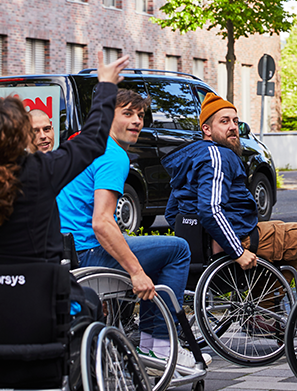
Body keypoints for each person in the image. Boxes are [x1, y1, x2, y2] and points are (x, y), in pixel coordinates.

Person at [56, 88, 202, 367]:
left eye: (141, 115)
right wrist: (136, 272)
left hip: (64, 250)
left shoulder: (79, 143)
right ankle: (157, 344)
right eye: (127, 113)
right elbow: (101, 222)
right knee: (177, 249)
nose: (137, 121)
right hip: (88, 253)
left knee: (143, 246)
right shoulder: (113, 155)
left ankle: (147, 337)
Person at [0, 51, 129, 315]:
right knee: (90, 304)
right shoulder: (43, 170)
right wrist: (105, 85)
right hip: (44, 303)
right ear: (24, 134)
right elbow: (93, 139)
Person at [161, 93, 297, 317]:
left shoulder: (190, 157)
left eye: (235, 121)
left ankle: (258, 306)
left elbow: (173, 213)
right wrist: (236, 251)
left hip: (201, 247)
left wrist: (196, 235)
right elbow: (210, 209)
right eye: (224, 121)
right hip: (232, 240)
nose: (233, 127)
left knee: (275, 226)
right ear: (206, 129)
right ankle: (262, 312)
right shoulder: (218, 156)